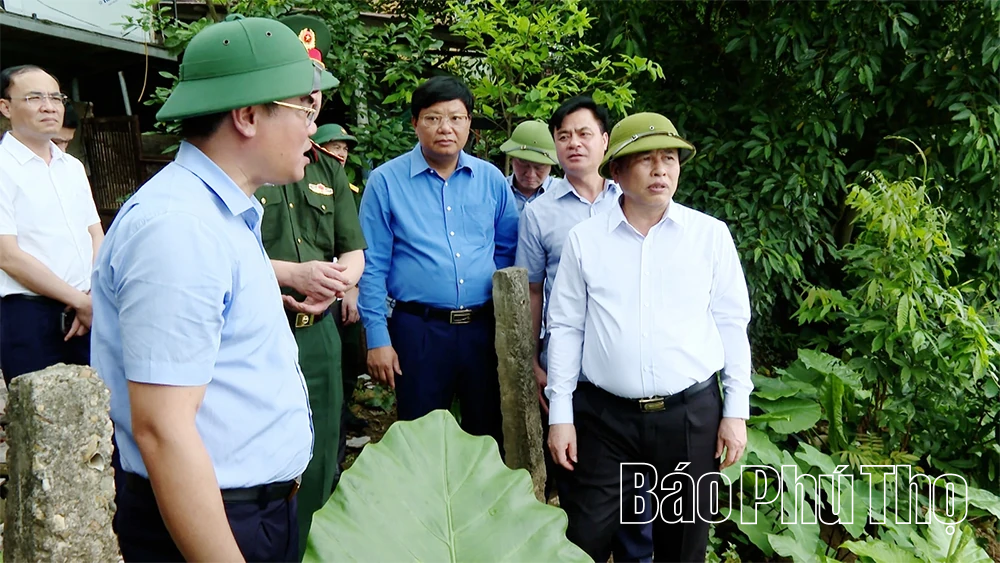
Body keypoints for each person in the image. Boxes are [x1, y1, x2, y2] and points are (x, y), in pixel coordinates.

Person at [90, 15, 339, 562]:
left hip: (252, 510)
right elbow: (163, 430)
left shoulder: (220, 215)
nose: (314, 129)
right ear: (249, 115)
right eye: (306, 108)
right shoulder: (179, 229)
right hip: (210, 522)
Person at [546, 112, 752, 562]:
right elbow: (565, 328)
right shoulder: (586, 240)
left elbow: (732, 324)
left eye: (669, 158)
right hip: (603, 420)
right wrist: (560, 413)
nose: (660, 169)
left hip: (688, 416)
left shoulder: (709, 237)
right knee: (584, 538)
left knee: (682, 546)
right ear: (616, 171)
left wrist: (736, 410)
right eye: (645, 159)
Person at [514, 96, 652, 561]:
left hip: (630, 371)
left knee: (639, 502)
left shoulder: (635, 198)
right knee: (581, 490)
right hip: (572, 373)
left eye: (583, 133)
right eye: (564, 136)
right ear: (554, 145)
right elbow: (533, 291)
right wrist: (532, 357)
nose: (573, 144)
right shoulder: (539, 212)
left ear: (605, 141)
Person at [256, 15, 367, 557]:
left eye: (317, 88)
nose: (313, 100)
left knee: (325, 453)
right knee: (267, 460)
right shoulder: (251, 166)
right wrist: (290, 275)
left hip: (319, 333)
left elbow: (353, 246)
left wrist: (339, 282)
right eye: (301, 90)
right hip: (264, 329)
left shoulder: (329, 167)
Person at [358, 76, 518, 449]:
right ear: (415, 123)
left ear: (468, 125)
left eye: (456, 118)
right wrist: (378, 337)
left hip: (483, 329)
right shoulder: (385, 182)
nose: (445, 128)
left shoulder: (491, 180)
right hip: (420, 331)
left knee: (487, 433)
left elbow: (508, 252)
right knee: (419, 437)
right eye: (433, 118)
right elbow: (373, 265)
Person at [0, 65, 103, 384]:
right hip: (29, 315)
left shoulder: (71, 167)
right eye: (34, 97)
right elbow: (7, 255)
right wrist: (79, 300)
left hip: (88, 310)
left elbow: (95, 234)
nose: (49, 106)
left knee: (99, 417)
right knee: (41, 422)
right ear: (5, 107)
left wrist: (93, 296)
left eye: (55, 97)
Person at [499, 119, 558, 213]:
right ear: (511, 159)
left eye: (539, 166)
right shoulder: (498, 192)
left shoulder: (564, 195)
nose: (531, 174)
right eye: (523, 163)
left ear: (550, 165)